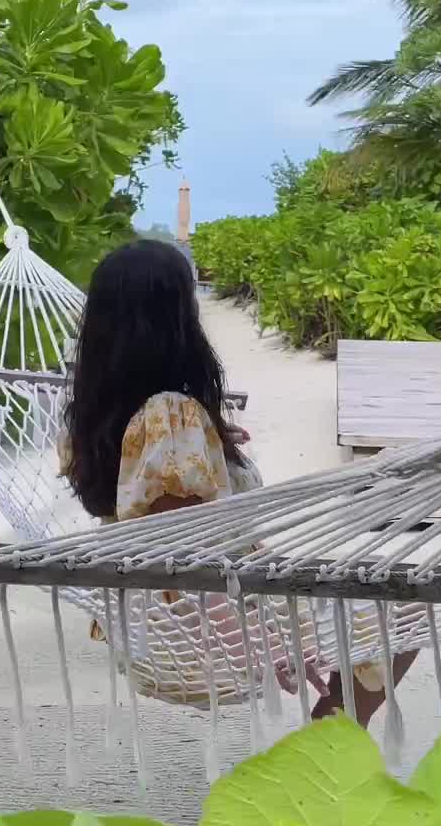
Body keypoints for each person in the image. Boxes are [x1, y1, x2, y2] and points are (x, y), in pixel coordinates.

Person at [61, 239, 415, 725]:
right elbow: (183, 559)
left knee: (377, 588)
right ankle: (325, 752)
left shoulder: (104, 416)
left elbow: (145, 504)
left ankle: (327, 747)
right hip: (203, 630)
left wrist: (212, 447)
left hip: (156, 622)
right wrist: (276, 646)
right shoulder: (170, 415)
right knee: (406, 606)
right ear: (172, 322)